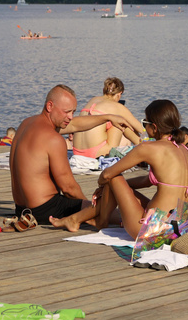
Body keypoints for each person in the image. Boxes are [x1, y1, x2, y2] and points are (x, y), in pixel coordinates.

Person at [51, 100, 188, 238]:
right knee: (115, 182)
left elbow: (108, 174)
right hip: (180, 227)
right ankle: (79, 219)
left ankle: (90, 220)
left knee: (113, 176)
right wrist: (120, 189)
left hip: (153, 230)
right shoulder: (183, 149)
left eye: (145, 123)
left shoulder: (149, 148)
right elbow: (147, 181)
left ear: (155, 127)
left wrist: (104, 184)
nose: (144, 127)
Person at [10, 85, 133, 225]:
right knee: (111, 208)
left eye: (73, 112)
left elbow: (75, 125)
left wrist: (108, 117)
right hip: (47, 210)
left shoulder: (27, 123)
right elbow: (69, 188)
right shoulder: (53, 139)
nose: (70, 117)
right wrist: (89, 210)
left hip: (22, 210)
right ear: (50, 106)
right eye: (67, 112)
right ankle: (142, 224)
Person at [72, 77, 144, 159]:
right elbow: (141, 129)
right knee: (122, 123)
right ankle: (143, 148)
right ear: (119, 94)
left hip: (77, 152)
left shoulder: (93, 100)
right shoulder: (118, 107)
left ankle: (142, 146)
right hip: (96, 153)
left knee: (112, 121)